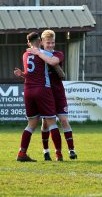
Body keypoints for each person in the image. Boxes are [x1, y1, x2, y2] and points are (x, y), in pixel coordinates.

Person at [26, 30, 77, 160]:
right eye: (48, 43)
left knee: (64, 120)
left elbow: (54, 62)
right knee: (45, 123)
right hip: (45, 93)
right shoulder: (35, 55)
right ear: (41, 42)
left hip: (57, 92)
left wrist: (38, 52)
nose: (50, 45)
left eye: (53, 42)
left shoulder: (57, 53)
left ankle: (71, 150)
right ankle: (46, 151)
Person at [16, 32, 63, 162]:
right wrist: (41, 53)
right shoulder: (45, 53)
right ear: (40, 42)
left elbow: (31, 73)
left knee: (31, 124)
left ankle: (21, 153)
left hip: (28, 90)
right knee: (52, 122)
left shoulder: (25, 54)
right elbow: (54, 61)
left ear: (28, 43)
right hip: (42, 89)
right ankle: (58, 154)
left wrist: (22, 75)